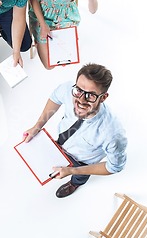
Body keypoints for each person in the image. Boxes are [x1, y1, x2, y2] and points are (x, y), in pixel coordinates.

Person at [23, 63, 127, 198]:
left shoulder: (113, 134)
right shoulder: (69, 89)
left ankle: (75, 183)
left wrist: (73, 170)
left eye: (90, 95)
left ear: (103, 97)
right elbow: (55, 98)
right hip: (61, 142)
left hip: (81, 162)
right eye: (79, 91)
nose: (80, 100)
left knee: (80, 176)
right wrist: (37, 126)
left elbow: (114, 167)